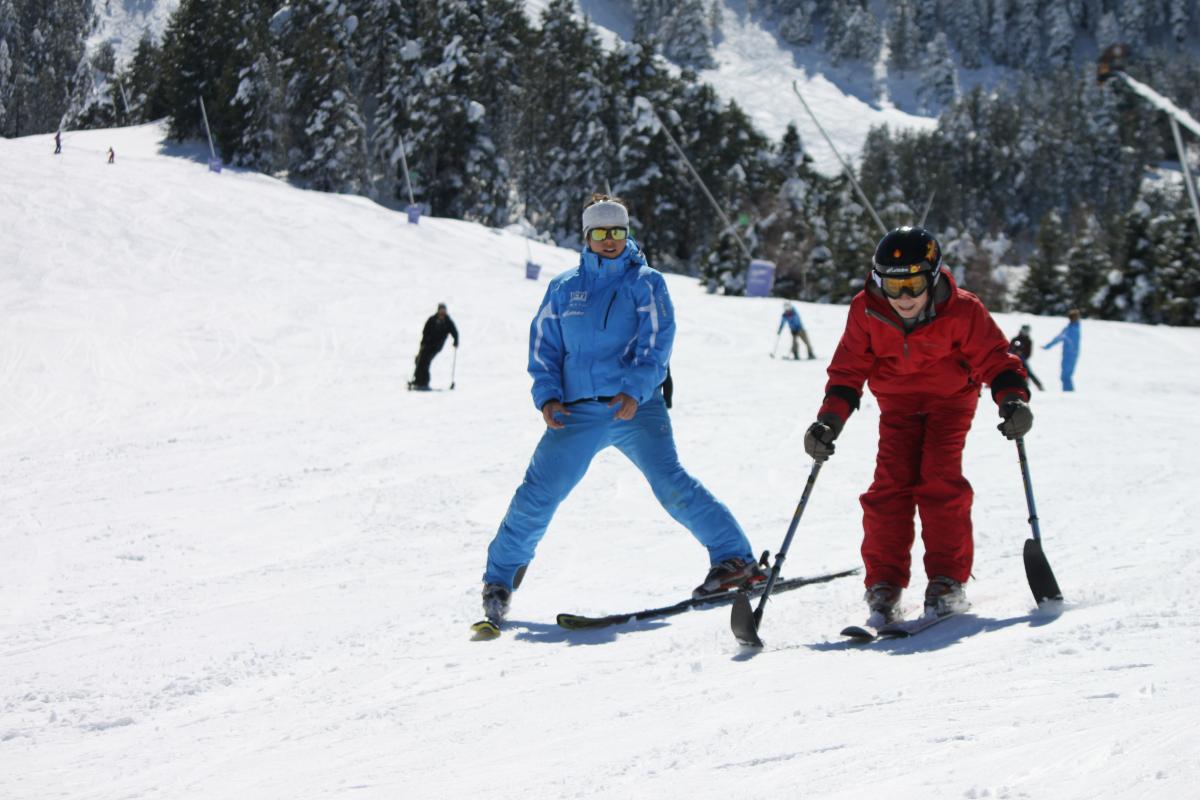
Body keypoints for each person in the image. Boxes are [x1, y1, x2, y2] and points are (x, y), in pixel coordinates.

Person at [479, 194, 762, 623]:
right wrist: (548, 395)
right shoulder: (563, 288)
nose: (610, 241)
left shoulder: (646, 283)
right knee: (539, 493)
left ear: (626, 234)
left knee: (671, 483)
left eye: (617, 233)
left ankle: (734, 560)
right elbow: (545, 346)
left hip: (636, 407)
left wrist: (635, 390)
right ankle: (499, 577)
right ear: (587, 236)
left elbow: (657, 343)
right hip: (576, 412)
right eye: (601, 234)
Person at [802, 226, 1032, 625]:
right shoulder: (867, 310)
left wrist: (1011, 399)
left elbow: (996, 359)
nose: (904, 297)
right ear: (878, 282)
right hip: (898, 407)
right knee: (888, 486)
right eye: (893, 286)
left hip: (950, 403)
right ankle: (884, 582)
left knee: (939, 479)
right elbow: (847, 371)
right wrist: (828, 422)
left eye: (913, 283)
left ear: (934, 276)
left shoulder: (962, 310)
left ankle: (947, 579)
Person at [409, 303, 458, 390]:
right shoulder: (432, 319)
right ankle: (418, 380)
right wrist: (424, 341)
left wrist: (456, 341)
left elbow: (454, 332)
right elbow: (425, 331)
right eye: (441, 310)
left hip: (436, 345)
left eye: (444, 311)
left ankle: (424, 382)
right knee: (419, 359)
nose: (442, 313)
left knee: (425, 360)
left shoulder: (448, 322)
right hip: (427, 343)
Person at [1043, 309, 1081, 391]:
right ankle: (1069, 392)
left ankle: (1068, 393)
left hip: (1069, 355)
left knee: (1065, 376)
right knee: (1066, 376)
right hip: (1072, 354)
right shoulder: (1075, 327)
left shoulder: (1070, 329)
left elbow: (1058, 338)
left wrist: (1047, 346)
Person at [1007, 324, 1044, 391]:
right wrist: (1015, 353)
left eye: (1027, 331)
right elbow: (1009, 349)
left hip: (1022, 360)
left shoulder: (1029, 341)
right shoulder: (1015, 339)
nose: (1025, 332)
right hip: (1013, 360)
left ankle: (1038, 386)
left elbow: (1029, 353)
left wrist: (1023, 356)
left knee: (1028, 373)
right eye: (1024, 331)